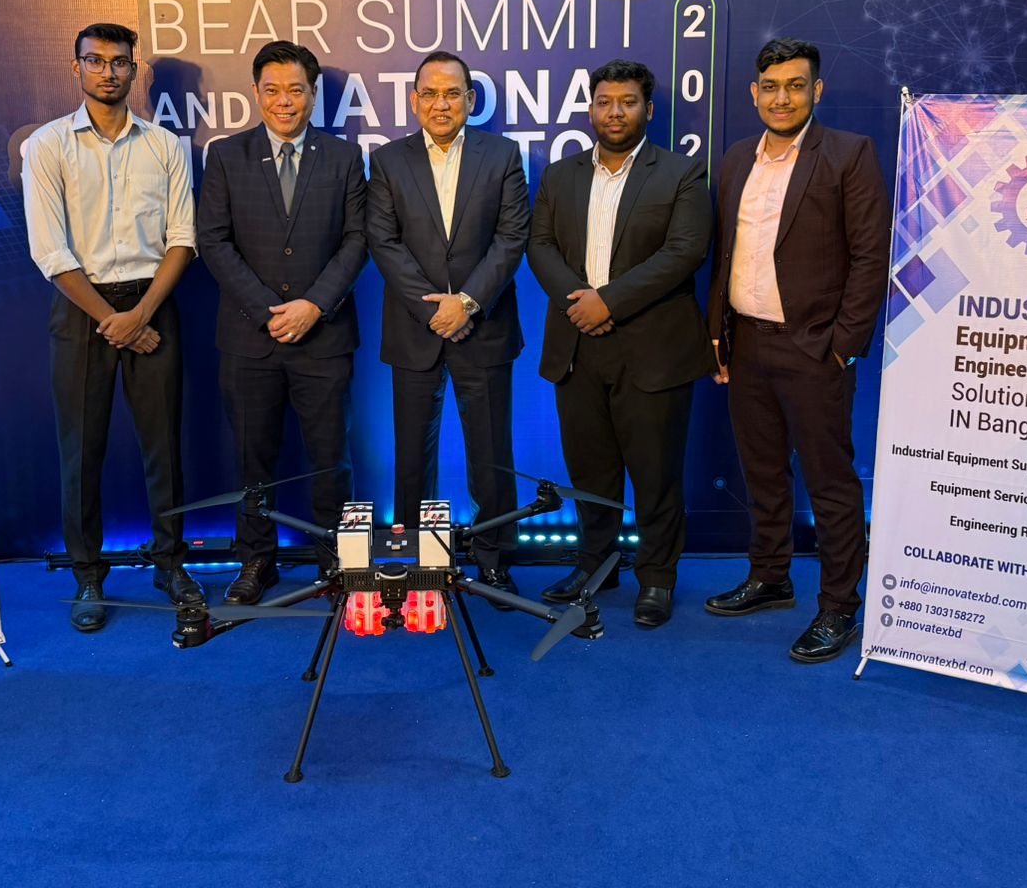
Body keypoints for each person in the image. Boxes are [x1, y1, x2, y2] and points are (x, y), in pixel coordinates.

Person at [704, 37, 890, 662]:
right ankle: (770, 577)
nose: (781, 98)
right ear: (754, 93)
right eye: (770, 87)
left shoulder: (848, 154)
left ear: (817, 91)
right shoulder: (737, 159)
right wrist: (718, 336)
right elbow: (725, 256)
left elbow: (870, 257)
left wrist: (843, 348)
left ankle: (838, 607)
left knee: (830, 483)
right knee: (763, 472)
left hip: (815, 352)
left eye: (795, 85)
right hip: (747, 345)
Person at [23, 22, 204, 632]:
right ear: (76, 67)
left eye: (119, 62)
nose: (108, 72)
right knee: (81, 450)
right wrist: (115, 321)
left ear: (134, 69)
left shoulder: (165, 145)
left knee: (165, 447)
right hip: (82, 309)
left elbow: (183, 239)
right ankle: (87, 575)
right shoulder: (48, 145)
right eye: (95, 61)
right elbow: (50, 252)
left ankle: (170, 563)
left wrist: (141, 315)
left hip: (152, 304)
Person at [527, 59, 713, 628]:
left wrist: (608, 302)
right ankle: (597, 565)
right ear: (591, 108)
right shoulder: (560, 175)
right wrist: (579, 303)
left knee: (656, 475)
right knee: (591, 472)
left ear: (648, 109)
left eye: (627, 102)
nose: (615, 112)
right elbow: (540, 246)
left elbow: (685, 252)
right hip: (577, 345)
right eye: (605, 101)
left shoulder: (682, 173)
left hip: (653, 349)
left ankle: (656, 578)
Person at [197, 40, 368, 602]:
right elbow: (213, 241)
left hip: (325, 336)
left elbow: (357, 240)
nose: (284, 101)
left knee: (331, 460)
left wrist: (314, 305)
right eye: (272, 90)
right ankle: (256, 561)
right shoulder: (226, 155)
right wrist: (268, 309)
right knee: (253, 459)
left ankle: (336, 562)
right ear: (255, 93)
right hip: (250, 339)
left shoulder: (344, 158)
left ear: (313, 94)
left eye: (296, 90)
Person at [366, 51, 530, 599]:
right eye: (431, 94)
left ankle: (495, 558)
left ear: (470, 100)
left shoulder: (502, 155)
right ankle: (415, 563)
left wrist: (468, 303)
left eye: (453, 93)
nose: (442, 104)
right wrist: (435, 310)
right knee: (412, 456)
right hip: (415, 330)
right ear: (414, 100)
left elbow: (511, 238)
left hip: (484, 327)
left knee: (491, 453)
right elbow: (383, 241)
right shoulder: (387, 161)